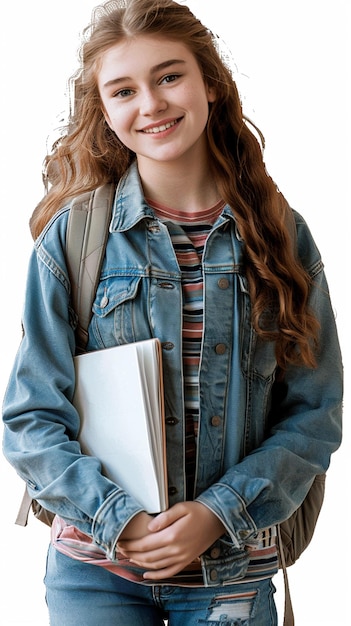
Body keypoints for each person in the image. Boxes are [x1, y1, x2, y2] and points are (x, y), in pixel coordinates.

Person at [2, 0, 343, 624]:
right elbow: (30, 416)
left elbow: (314, 415)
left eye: (168, 76)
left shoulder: (280, 236)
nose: (151, 104)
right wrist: (117, 517)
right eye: (123, 89)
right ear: (104, 111)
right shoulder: (72, 240)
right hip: (95, 572)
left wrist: (218, 512)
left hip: (233, 569)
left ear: (209, 81)